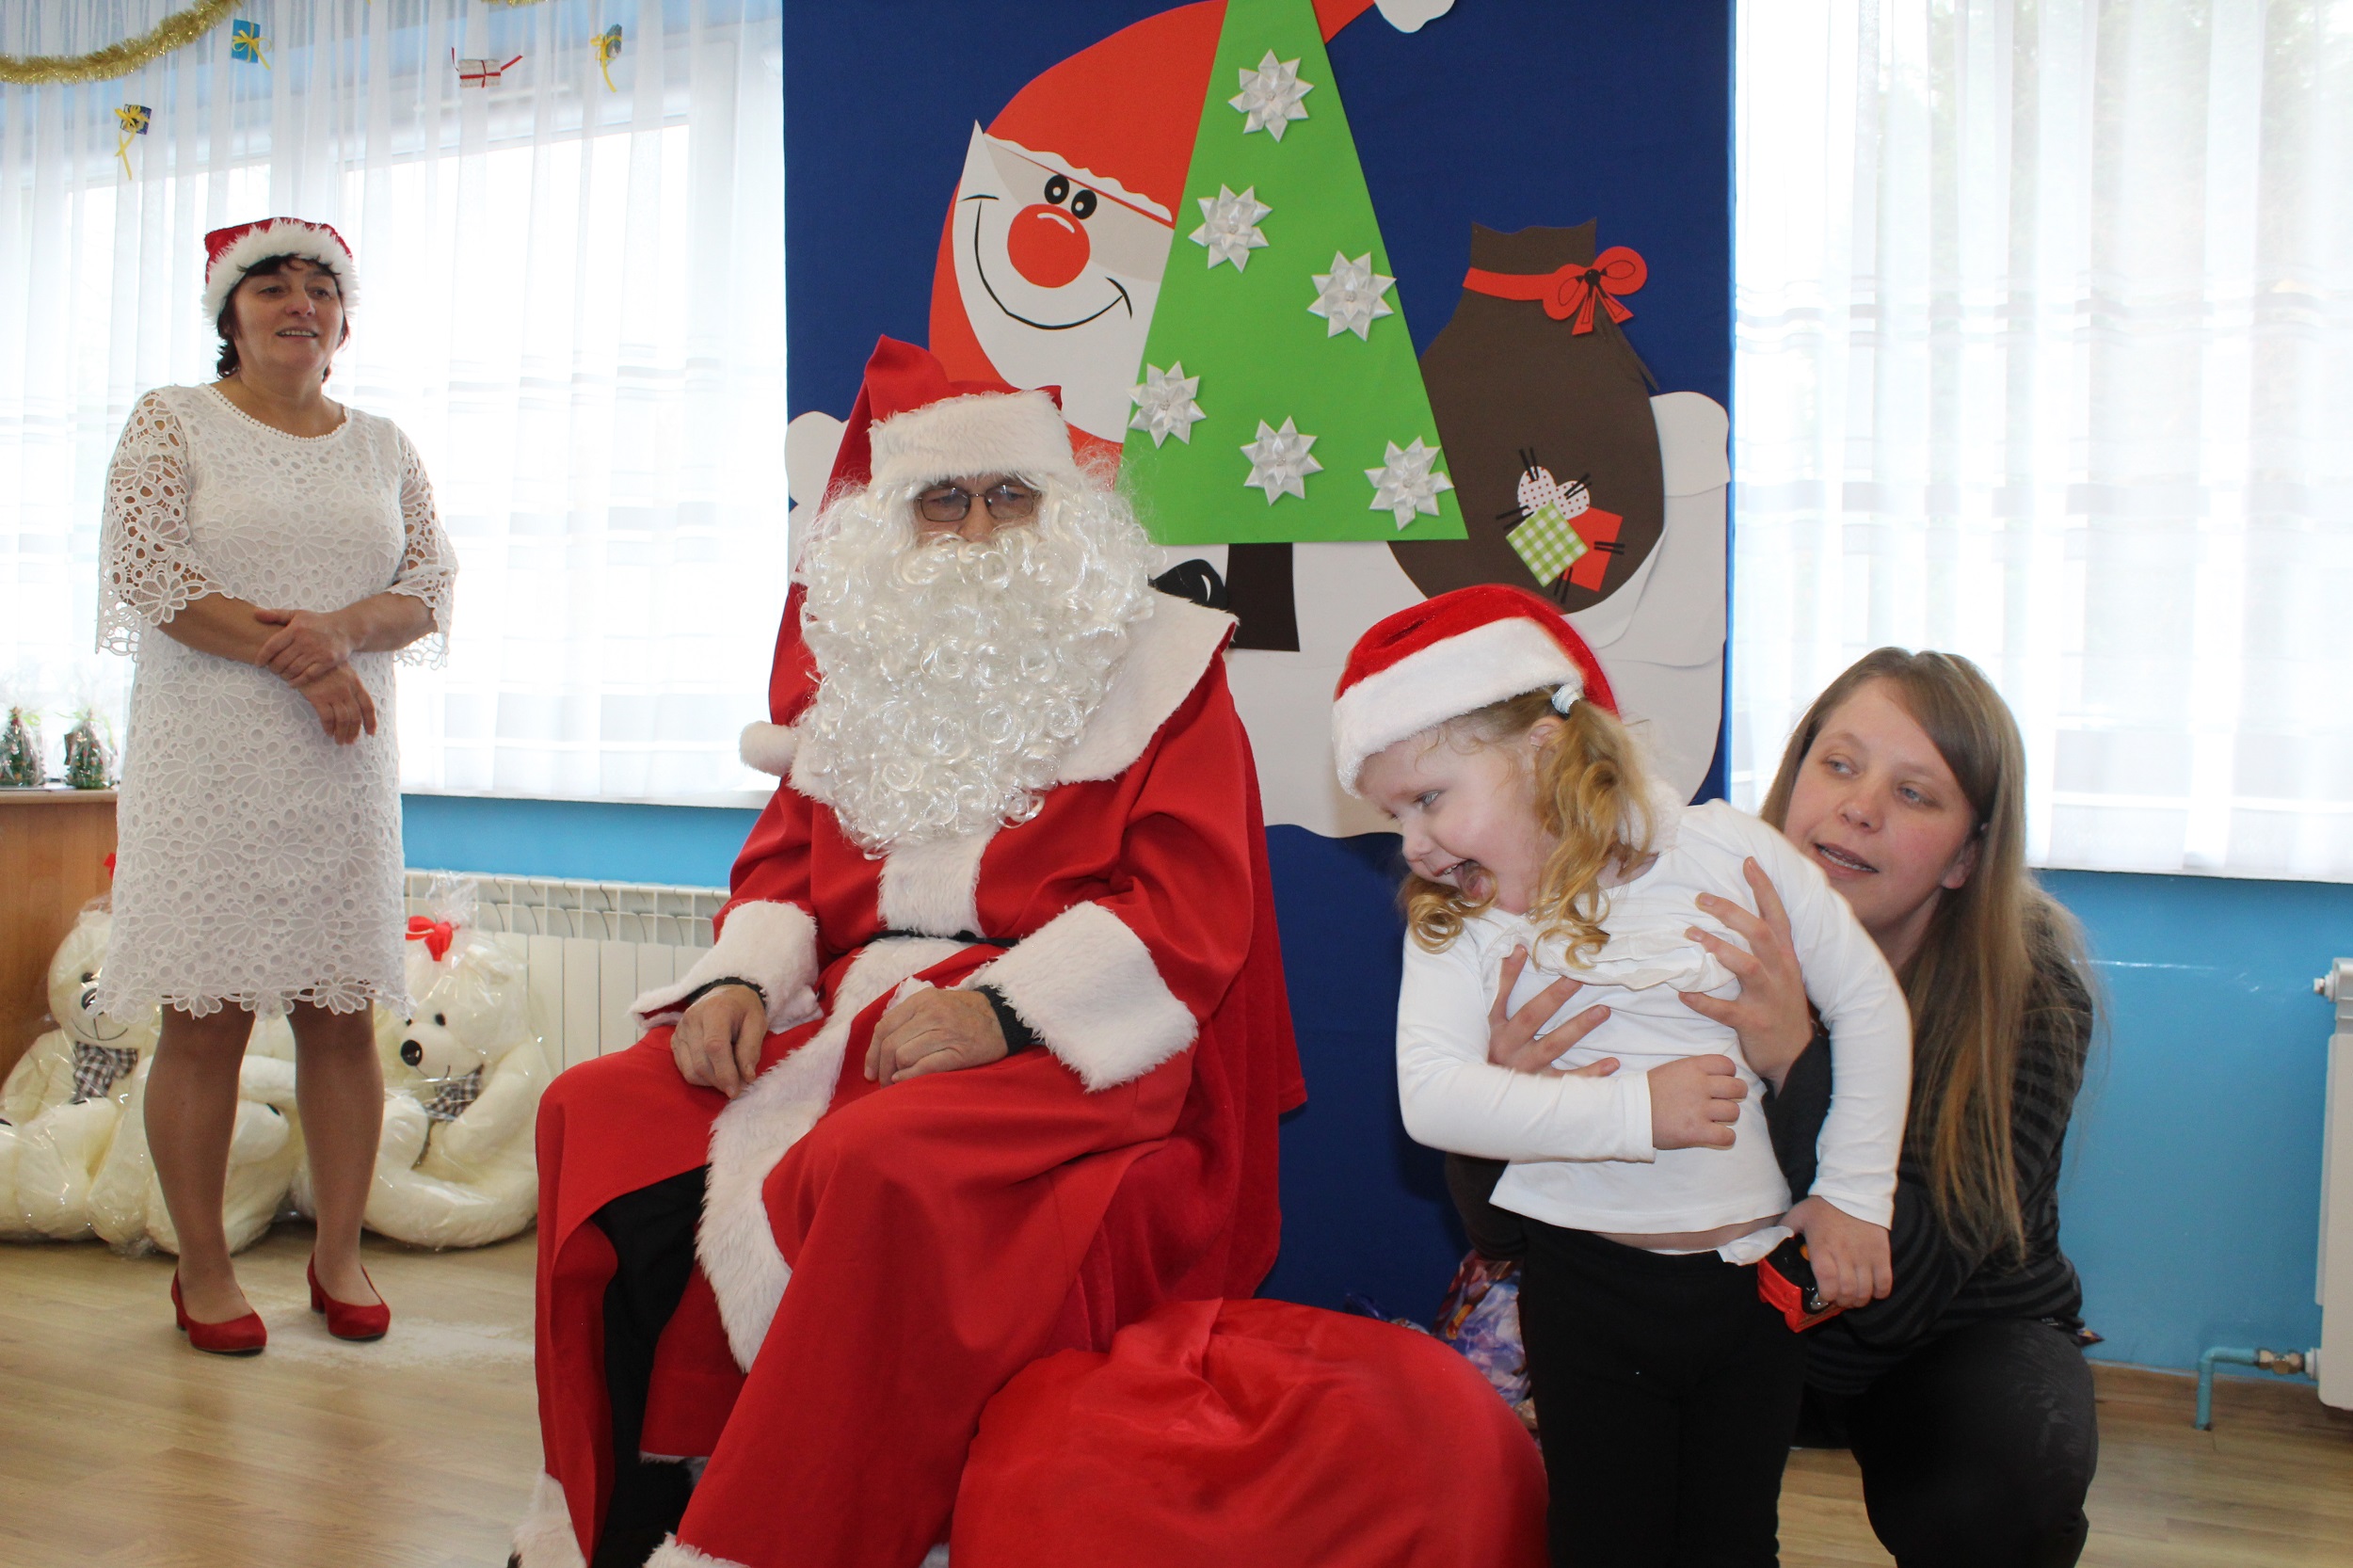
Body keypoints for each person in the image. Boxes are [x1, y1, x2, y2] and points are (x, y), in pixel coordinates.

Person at [512, 338, 1302, 1568]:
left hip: (1071, 1034)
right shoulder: (866, 661)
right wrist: (739, 976)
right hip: (845, 1007)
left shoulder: (1166, 668)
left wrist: (1003, 1010)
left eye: (1008, 496)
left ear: (1063, 511)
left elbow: (1192, 907)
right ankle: (631, 1497)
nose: (976, 530)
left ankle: (781, 1531)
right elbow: (785, 865)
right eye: (943, 500)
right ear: (896, 522)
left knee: (880, 1162)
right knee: (595, 1107)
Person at [1332, 585, 1913, 1568]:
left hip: (1748, 1290)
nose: (1413, 844)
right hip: (1584, 1289)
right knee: (1605, 1538)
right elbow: (1432, 1099)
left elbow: (1869, 1005)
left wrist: (1855, 1194)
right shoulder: (1456, 923)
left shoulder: (1728, 851)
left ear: (1544, 753)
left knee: (1733, 1540)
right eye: (1394, 815)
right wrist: (1636, 1109)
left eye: (1428, 798)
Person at [95, 217, 455, 1354]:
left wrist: (339, 636)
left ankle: (338, 1253)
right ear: (228, 315)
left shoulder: (384, 444)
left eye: (320, 289)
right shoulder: (172, 420)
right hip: (206, 761)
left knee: (340, 1019)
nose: (301, 305)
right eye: (272, 289)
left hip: (341, 767)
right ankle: (202, 1268)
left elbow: (430, 584)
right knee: (203, 1021)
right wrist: (309, 666)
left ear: (344, 321)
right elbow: (151, 574)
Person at [1697, 649, 2099, 1567]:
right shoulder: (1698, 923)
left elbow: (1897, 1294)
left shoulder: (2027, 994)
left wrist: (1792, 1060)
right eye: (1838, 764)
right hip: (1738, 1305)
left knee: (2003, 1487)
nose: (1859, 807)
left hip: (1946, 1330)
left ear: (1965, 857)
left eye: (1914, 794)